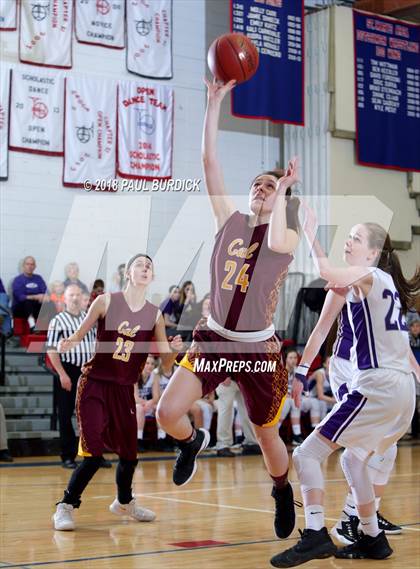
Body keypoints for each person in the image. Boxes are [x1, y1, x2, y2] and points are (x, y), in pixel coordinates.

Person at [156, 77, 302, 540]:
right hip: (214, 336)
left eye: (269, 186)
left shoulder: (286, 234)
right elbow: (209, 161)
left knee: (266, 437)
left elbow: (279, 235)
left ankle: (281, 489)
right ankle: (191, 443)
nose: (260, 189)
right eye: (257, 185)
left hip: (258, 348)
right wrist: (214, 103)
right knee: (165, 413)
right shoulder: (230, 220)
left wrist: (284, 193)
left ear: (282, 198)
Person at [270, 216, 419, 567]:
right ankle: (372, 537)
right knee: (354, 459)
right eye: (348, 237)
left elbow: (325, 268)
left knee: (306, 455)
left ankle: (317, 534)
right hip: (401, 392)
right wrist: (302, 371)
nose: (348, 242)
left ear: (373, 252)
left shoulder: (363, 275)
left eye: (355, 238)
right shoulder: (383, 286)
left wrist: (308, 229)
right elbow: (324, 325)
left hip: (377, 386)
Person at [52, 254, 183, 531]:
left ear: (153, 276)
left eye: (149, 266)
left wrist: (173, 349)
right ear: (128, 273)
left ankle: (124, 502)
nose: (145, 268)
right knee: (93, 454)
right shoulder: (106, 301)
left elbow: (167, 363)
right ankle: (65, 505)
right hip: (95, 383)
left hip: (125, 390)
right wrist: (68, 342)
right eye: (140, 264)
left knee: (130, 456)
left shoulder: (155, 314)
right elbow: (79, 333)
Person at [47, 284, 104, 469]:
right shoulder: (58, 320)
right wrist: (62, 374)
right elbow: (52, 350)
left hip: (88, 371)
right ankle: (67, 455)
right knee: (65, 415)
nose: (75, 298)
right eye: (71, 295)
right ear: (64, 298)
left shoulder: (88, 319)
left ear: (83, 298)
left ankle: (95, 454)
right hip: (68, 370)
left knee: (92, 415)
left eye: (78, 295)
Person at [277, 349, 321, 445]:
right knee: (292, 402)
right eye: (290, 358)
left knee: (314, 402)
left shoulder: (299, 371)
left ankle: (314, 433)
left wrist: (307, 395)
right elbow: (276, 389)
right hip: (283, 399)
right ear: (286, 359)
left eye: (295, 358)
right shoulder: (280, 370)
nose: (293, 360)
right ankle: (289, 434)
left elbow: (305, 388)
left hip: (296, 397)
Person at [215, 376, 260, 457]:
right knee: (225, 412)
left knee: (249, 410)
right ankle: (223, 445)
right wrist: (223, 374)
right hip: (226, 376)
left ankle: (251, 443)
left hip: (246, 378)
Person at [12, 256, 49, 328]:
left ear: (35, 266)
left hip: (36, 307)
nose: (30, 266)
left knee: (50, 303)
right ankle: (32, 325)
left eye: (32, 264)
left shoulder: (38, 278)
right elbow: (20, 297)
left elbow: (45, 292)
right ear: (23, 266)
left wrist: (44, 297)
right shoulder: (18, 280)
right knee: (27, 302)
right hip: (21, 309)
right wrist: (36, 296)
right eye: (27, 264)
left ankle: (52, 326)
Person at [134, 354, 158, 450]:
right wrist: (147, 403)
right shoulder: (135, 375)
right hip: (134, 406)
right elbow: (135, 398)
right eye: (147, 363)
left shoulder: (154, 376)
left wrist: (149, 404)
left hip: (147, 405)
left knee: (159, 408)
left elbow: (156, 397)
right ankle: (138, 440)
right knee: (139, 409)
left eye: (152, 364)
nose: (150, 366)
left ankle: (162, 439)